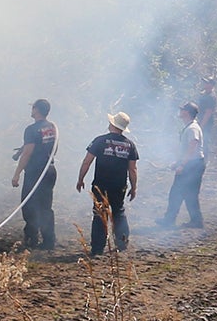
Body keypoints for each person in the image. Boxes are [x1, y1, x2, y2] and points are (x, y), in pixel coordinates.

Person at [75, 112, 140, 256]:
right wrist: (134, 187)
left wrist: (81, 179)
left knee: (100, 213)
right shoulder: (130, 145)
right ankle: (122, 243)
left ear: (112, 124)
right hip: (119, 186)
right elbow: (132, 169)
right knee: (118, 212)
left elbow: (87, 161)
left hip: (101, 185)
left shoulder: (100, 141)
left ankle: (97, 248)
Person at [8, 97, 59, 250]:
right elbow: (53, 148)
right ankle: (49, 240)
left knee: (29, 205)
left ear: (36, 110)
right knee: (45, 206)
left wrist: (17, 173)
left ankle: (31, 238)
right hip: (49, 170)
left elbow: (28, 153)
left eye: (33, 108)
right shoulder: (52, 127)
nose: (31, 110)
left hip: (35, 172)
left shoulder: (31, 129)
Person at [160, 102, 206, 229]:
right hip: (192, 164)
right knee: (183, 193)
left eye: (183, 110)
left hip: (192, 165)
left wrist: (183, 165)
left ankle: (172, 220)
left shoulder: (192, 128)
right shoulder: (190, 126)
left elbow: (193, 145)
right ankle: (191, 221)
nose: (180, 111)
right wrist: (178, 162)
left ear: (187, 112)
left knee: (181, 193)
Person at [193, 77, 217, 160]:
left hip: (206, 122)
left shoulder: (211, 97)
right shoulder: (203, 94)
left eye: (207, 83)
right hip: (200, 120)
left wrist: (202, 125)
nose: (204, 84)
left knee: (204, 141)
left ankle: (203, 160)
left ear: (211, 85)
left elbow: (208, 113)